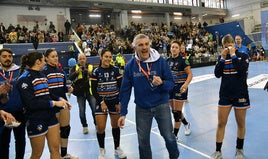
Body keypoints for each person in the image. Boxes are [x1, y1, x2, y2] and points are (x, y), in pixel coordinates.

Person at [118, 34, 179, 159]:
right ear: (135, 48)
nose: (144, 47)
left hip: (161, 104)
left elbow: (171, 83)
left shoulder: (160, 61)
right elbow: (125, 91)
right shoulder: (130, 66)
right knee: (143, 141)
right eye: (140, 45)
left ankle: (174, 156)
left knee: (169, 137)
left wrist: (162, 83)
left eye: (146, 44)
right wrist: (123, 113)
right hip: (142, 108)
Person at [16, 51, 70, 159]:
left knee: (55, 149)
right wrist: (54, 103)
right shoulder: (24, 79)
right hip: (36, 118)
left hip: (50, 116)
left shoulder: (42, 75)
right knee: (37, 154)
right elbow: (31, 103)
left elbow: (48, 92)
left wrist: (61, 99)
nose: (45, 63)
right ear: (38, 62)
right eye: (43, 60)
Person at [211, 34, 250, 159]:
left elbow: (241, 71)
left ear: (234, 44)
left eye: (230, 46)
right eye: (225, 47)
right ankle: (218, 151)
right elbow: (217, 74)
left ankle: (239, 149)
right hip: (225, 95)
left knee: (241, 123)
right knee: (221, 123)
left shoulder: (243, 55)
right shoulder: (221, 57)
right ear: (223, 46)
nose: (228, 49)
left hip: (240, 94)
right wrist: (222, 58)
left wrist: (233, 55)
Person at [91, 49, 127, 159]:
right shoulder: (96, 72)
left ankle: (117, 148)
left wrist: (119, 102)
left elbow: (121, 87)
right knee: (100, 127)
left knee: (115, 126)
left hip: (114, 102)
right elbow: (93, 89)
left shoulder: (116, 70)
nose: (108, 59)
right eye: (106, 56)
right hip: (101, 102)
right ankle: (102, 150)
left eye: (110, 57)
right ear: (101, 57)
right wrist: (102, 102)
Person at [42, 49, 77, 159]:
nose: (56, 58)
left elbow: (63, 85)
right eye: (52, 56)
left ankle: (64, 154)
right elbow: (46, 90)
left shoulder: (60, 71)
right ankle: (56, 155)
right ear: (46, 58)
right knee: (54, 133)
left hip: (63, 103)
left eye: (56, 56)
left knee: (65, 128)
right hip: (53, 104)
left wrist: (68, 88)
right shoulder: (43, 71)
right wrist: (58, 99)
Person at [0, 48, 26, 159]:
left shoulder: (20, 71)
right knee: (3, 143)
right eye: (4, 56)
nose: (7, 59)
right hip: (3, 113)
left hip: (19, 112)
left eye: (9, 56)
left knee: (20, 141)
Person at [166, 41, 192, 141]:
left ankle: (174, 135)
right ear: (170, 49)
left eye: (176, 47)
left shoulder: (183, 60)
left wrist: (185, 85)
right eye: (173, 47)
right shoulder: (167, 60)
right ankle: (186, 124)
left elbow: (190, 74)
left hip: (180, 88)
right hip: (170, 88)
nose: (174, 49)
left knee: (177, 112)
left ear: (179, 49)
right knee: (174, 111)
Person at [69, 53, 96, 134]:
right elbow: (70, 78)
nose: (82, 60)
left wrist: (89, 72)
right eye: (80, 59)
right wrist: (77, 72)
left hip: (90, 92)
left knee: (94, 109)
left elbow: (95, 76)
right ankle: (85, 126)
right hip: (79, 93)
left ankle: (97, 124)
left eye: (83, 58)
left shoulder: (90, 67)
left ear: (85, 59)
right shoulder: (74, 68)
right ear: (78, 60)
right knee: (81, 111)